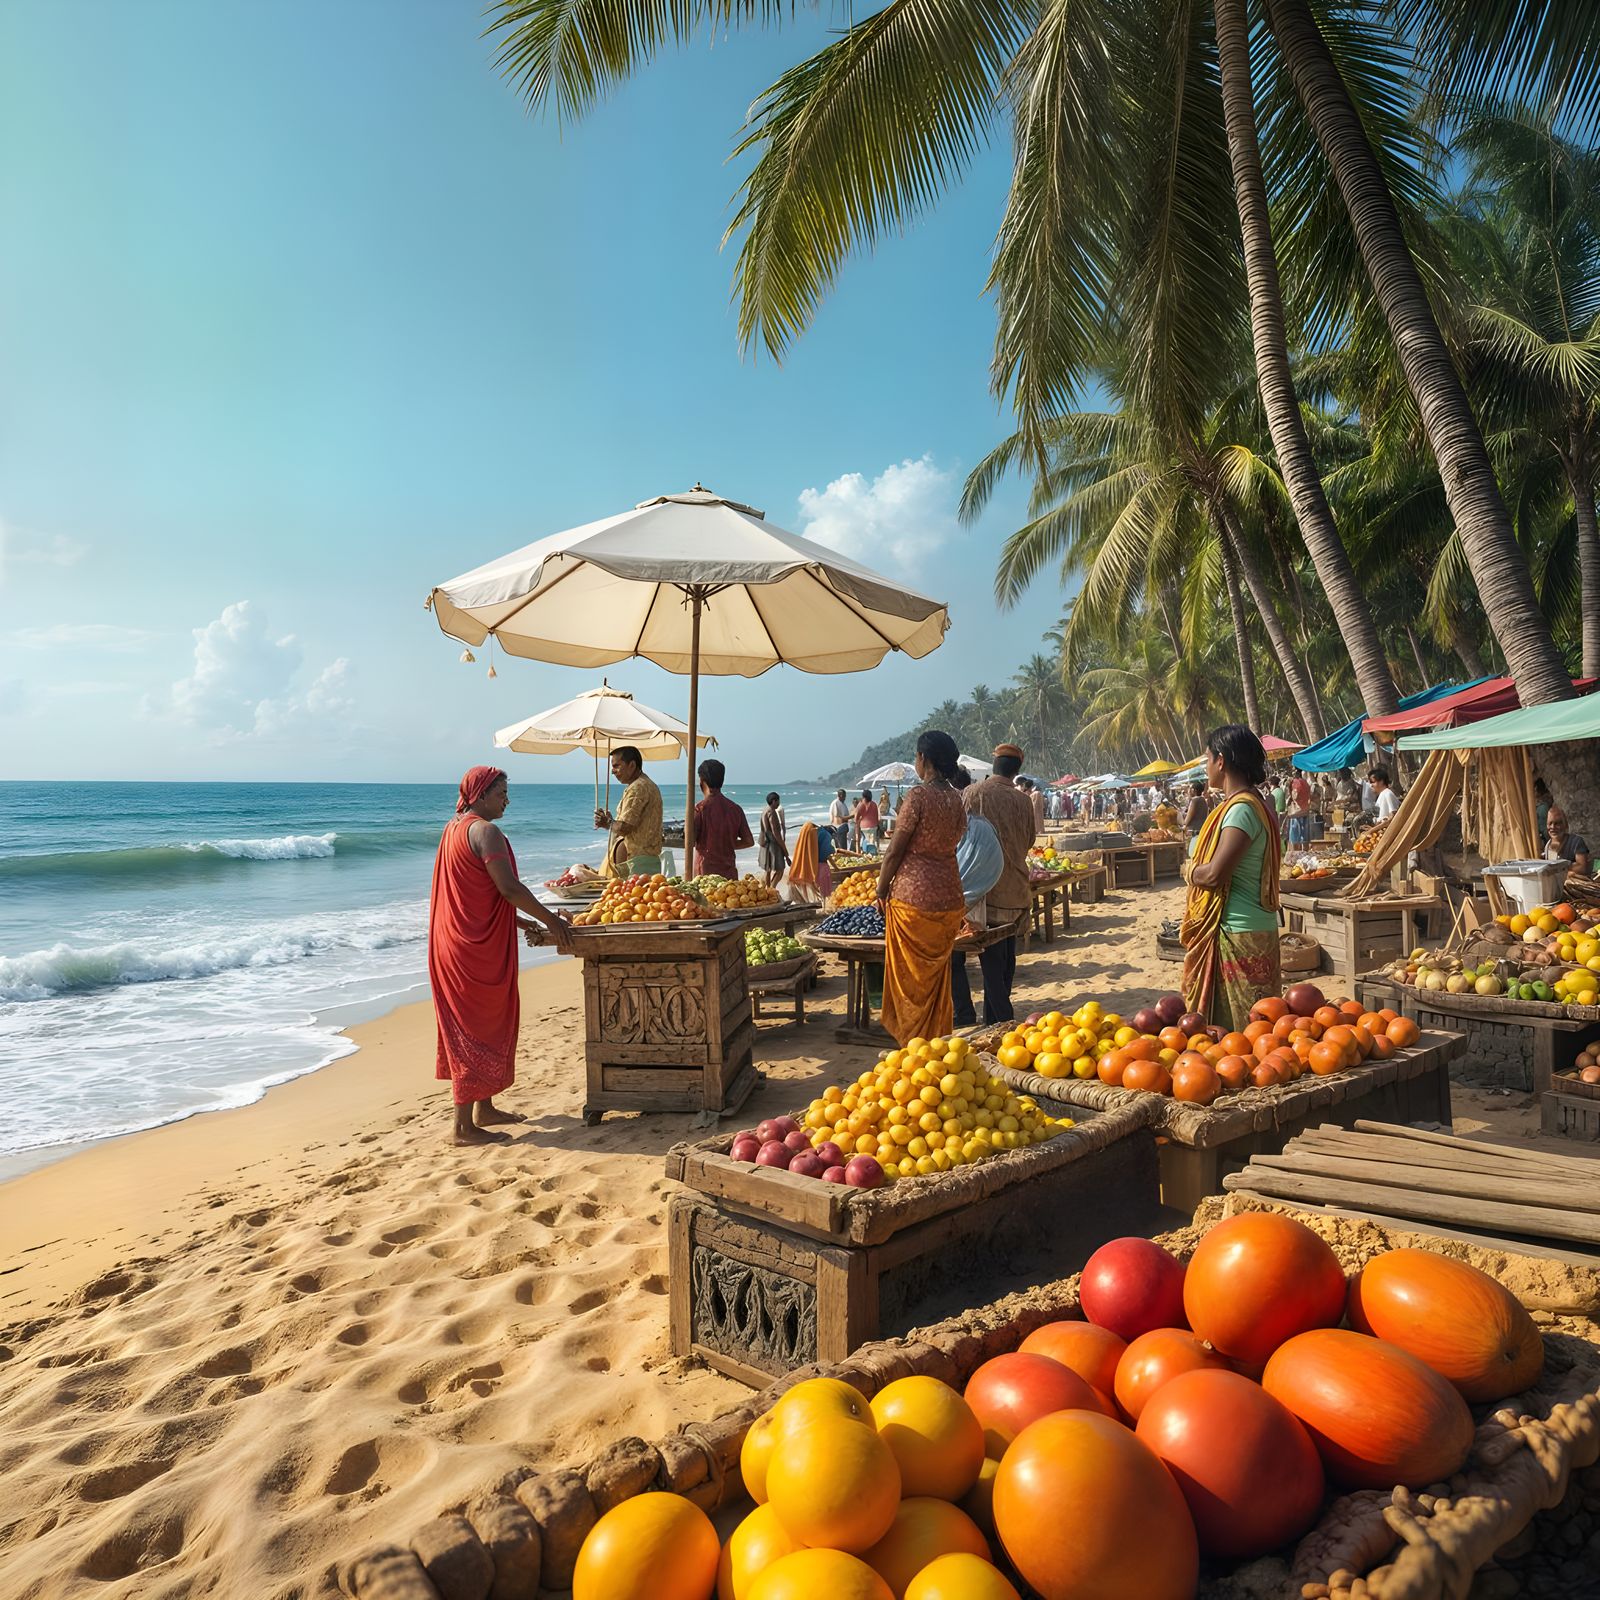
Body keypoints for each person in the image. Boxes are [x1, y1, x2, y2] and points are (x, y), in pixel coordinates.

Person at [429, 767, 573, 1147]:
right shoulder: (484, 831)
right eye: (502, 793)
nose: (507, 799)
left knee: (487, 1023)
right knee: (472, 1028)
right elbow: (508, 888)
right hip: (470, 950)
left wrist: (524, 924)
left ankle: (485, 1108)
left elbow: (482, 895)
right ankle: (461, 1127)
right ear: (479, 793)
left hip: (459, 941)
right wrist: (551, 921)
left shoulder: (453, 829)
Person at [1179, 726, 1283, 1033]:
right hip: (1254, 929)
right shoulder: (1256, 803)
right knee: (1255, 1033)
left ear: (1221, 761)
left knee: (1241, 1034)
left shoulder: (1241, 811)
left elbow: (1215, 874)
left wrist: (1190, 870)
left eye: (1207, 759)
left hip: (1237, 934)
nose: (1206, 766)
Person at [877, 731, 968, 1045]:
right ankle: (934, 1043)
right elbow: (954, 840)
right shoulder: (956, 798)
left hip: (914, 900)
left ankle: (913, 1044)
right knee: (936, 979)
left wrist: (880, 888)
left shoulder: (917, 796)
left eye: (916, 756)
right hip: (950, 896)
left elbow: (895, 850)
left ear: (924, 759)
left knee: (912, 982)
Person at [959, 742, 1037, 1026]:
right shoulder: (1023, 800)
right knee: (1005, 958)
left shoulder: (973, 793)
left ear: (994, 765)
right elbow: (1029, 840)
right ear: (1017, 770)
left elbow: (961, 837)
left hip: (985, 888)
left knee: (992, 960)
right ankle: (996, 1018)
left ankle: (1002, 1020)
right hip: (1016, 887)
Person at [948, 768, 1005, 1027]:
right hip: (987, 901)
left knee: (956, 961)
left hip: (970, 906)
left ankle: (969, 1014)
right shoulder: (978, 823)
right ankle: (989, 1017)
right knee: (992, 966)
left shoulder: (968, 825)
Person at [593, 746, 663, 876]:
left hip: (638, 863)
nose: (613, 771)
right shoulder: (644, 784)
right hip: (644, 860)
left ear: (631, 765)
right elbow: (632, 825)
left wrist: (608, 823)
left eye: (616, 766)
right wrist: (611, 822)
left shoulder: (638, 787)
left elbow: (625, 828)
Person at [692, 759, 754, 880]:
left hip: (705, 875)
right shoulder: (735, 809)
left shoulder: (700, 809)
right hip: (729, 874)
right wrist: (726, 844)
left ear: (701, 781)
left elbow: (690, 842)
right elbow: (748, 841)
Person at [1544, 807, 1593, 876]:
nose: (1553, 827)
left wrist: (1559, 867)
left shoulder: (1576, 842)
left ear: (1565, 825)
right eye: (1550, 823)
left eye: (1557, 823)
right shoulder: (1548, 846)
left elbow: (1583, 868)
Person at [759, 792, 789, 885]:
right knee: (780, 870)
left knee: (767, 870)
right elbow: (776, 834)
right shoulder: (772, 812)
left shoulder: (764, 810)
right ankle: (772, 890)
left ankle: (767, 893)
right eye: (778, 801)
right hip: (773, 845)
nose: (779, 803)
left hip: (764, 843)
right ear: (774, 801)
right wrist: (785, 851)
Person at [1287, 771, 1313, 849]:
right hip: (1305, 811)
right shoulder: (1306, 783)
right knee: (1305, 839)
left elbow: (1295, 796)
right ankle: (1305, 855)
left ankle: (1296, 857)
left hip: (1296, 813)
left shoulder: (1296, 782)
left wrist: (1290, 790)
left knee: (1295, 839)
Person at [853, 788, 880, 853]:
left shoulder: (860, 805)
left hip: (863, 826)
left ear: (863, 796)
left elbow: (856, 818)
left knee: (865, 841)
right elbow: (876, 816)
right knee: (871, 843)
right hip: (873, 826)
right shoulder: (874, 804)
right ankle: (871, 854)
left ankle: (865, 852)